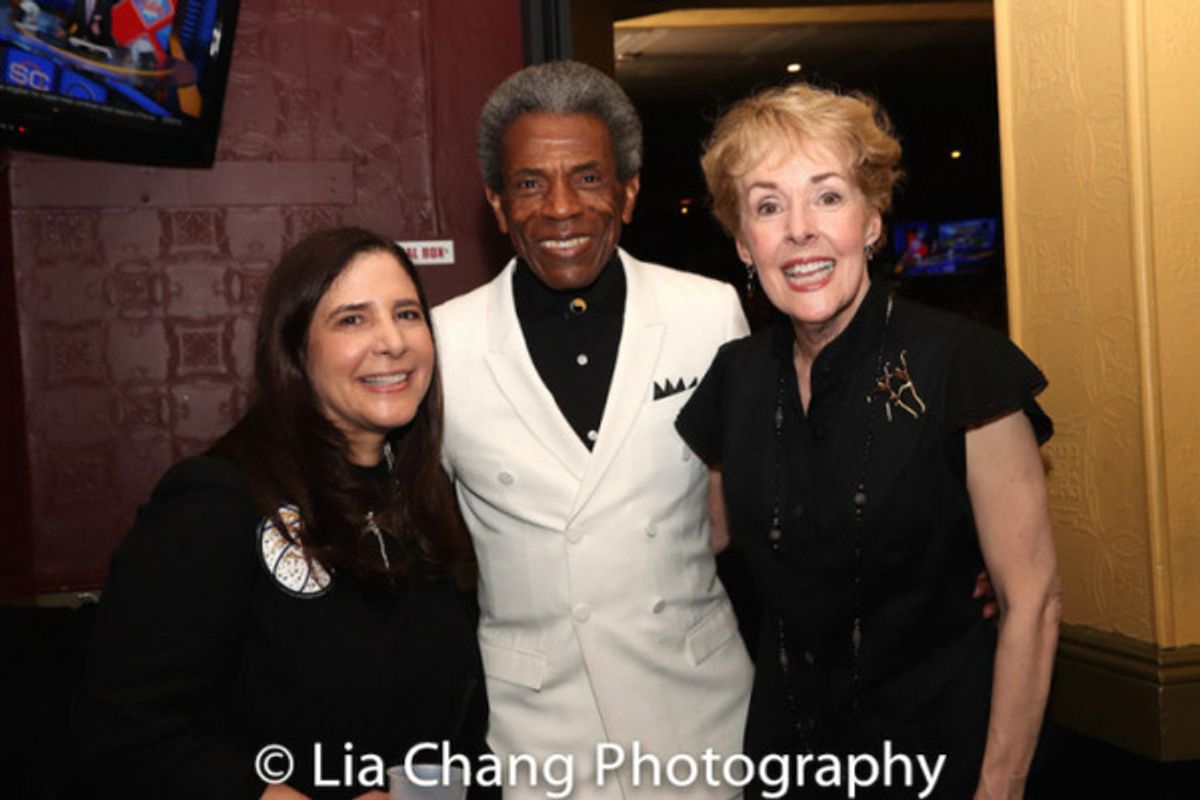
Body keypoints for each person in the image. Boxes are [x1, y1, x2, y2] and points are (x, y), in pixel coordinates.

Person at [676, 84, 1061, 798]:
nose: (799, 230)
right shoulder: (735, 379)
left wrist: (999, 789)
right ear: (742, 242)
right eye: (767, 206)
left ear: (873, 219)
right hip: (786, 761)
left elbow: (1031, 600)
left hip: (938, 759)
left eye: (827, 196)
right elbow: (700, 536)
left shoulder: (960, 365)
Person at [432, 61, 753, 798]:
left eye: (587, 177)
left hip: (699, 714)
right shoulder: (442, 344)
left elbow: (756, 507)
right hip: (537, 731)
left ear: (629, 191)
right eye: (529, 184)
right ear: (496, 203)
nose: (560, 209)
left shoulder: (709, 316)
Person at [80, 227, 488, 800]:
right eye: (352, 320)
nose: (392, 341)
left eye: (407, 314)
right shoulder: (216, 503)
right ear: (297, 349)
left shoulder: (427, 501)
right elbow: (128, 737)